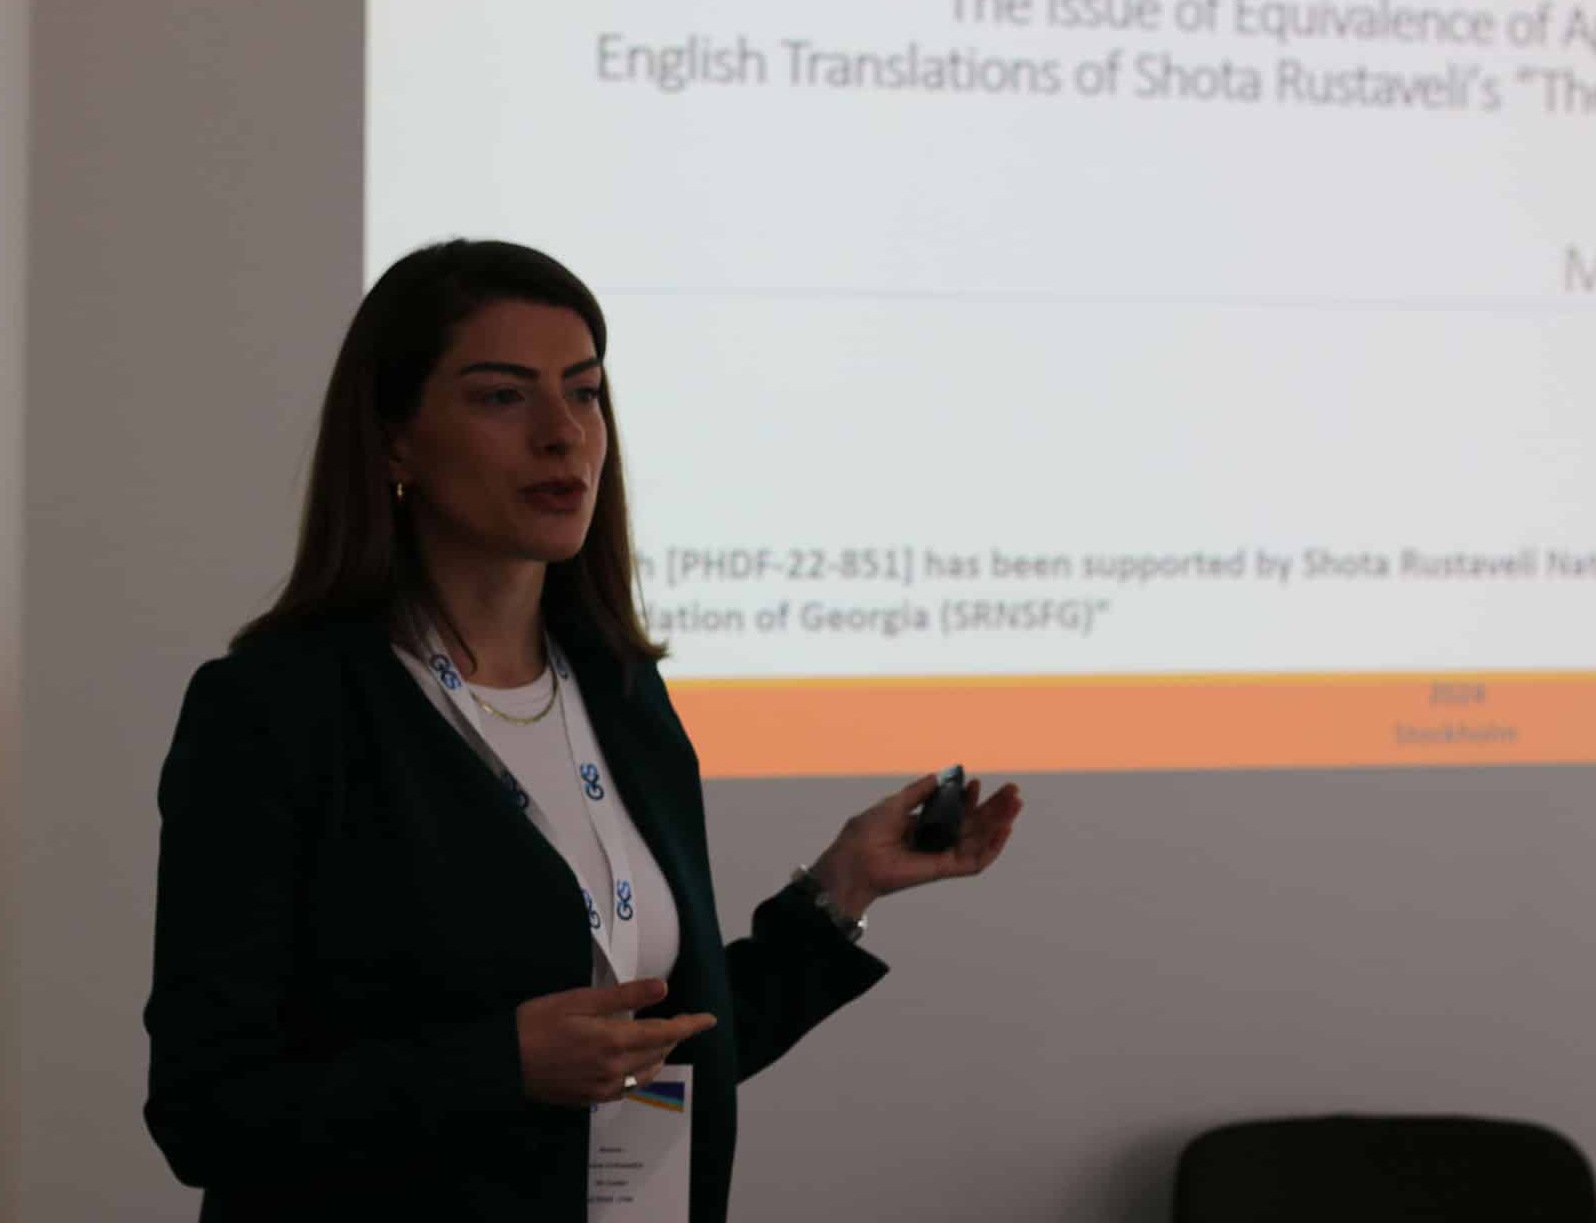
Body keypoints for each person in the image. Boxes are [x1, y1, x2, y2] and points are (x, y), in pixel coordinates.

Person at [142, 239, 1024, 1221]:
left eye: (585, 392)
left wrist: (842, 888)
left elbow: (663, 1050)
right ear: (395, 442)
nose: (563, 434)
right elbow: (205, 1110)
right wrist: (502, 1064)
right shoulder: (278, 710)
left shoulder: (621, 691)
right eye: (502, 396)